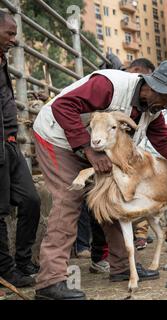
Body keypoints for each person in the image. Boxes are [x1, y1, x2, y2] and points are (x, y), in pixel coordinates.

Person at [32, 60, 167, 300]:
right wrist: (88, 151)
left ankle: (122, 267)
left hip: (95, 148)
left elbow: (162, 138)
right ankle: (50, 281)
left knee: (115, 198)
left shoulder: (151, 109)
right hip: (57, 139)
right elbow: (63, 105)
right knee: (69, 199)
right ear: (156, 88)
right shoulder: (109, 85)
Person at [126, 58, 167, 249]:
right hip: (142, 160)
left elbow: (164, 138)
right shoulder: (118, 90)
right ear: (157, 88)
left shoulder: (155, 111)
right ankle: (140, 236)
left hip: (165, 161)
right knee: (141, 195)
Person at [0, 11, 40, 288]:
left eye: (15, 34)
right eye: (9, 33)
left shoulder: (1, 59)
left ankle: (24, 260)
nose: (14, 40)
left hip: (11, 145)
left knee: (32, 200)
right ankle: (6, 270)